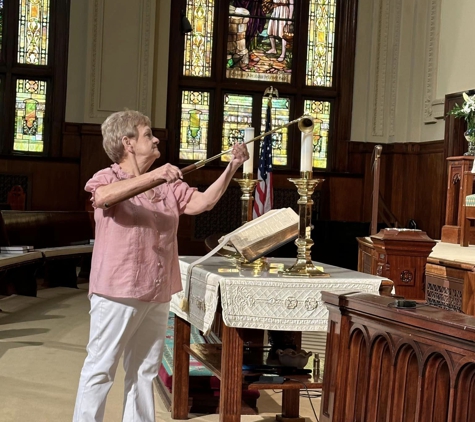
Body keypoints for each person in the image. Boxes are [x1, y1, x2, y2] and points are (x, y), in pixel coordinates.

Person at [73, 110, 249, 422]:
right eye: (147, 135)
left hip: (157, 290)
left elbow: (202, 203)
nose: (156, 139)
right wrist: (155, 175)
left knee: (144, 370)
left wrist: (232, 167)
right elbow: (104, 198)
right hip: (117, 291)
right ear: (127, 143)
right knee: (101, 368)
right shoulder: (108, 177)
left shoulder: (167, 186)